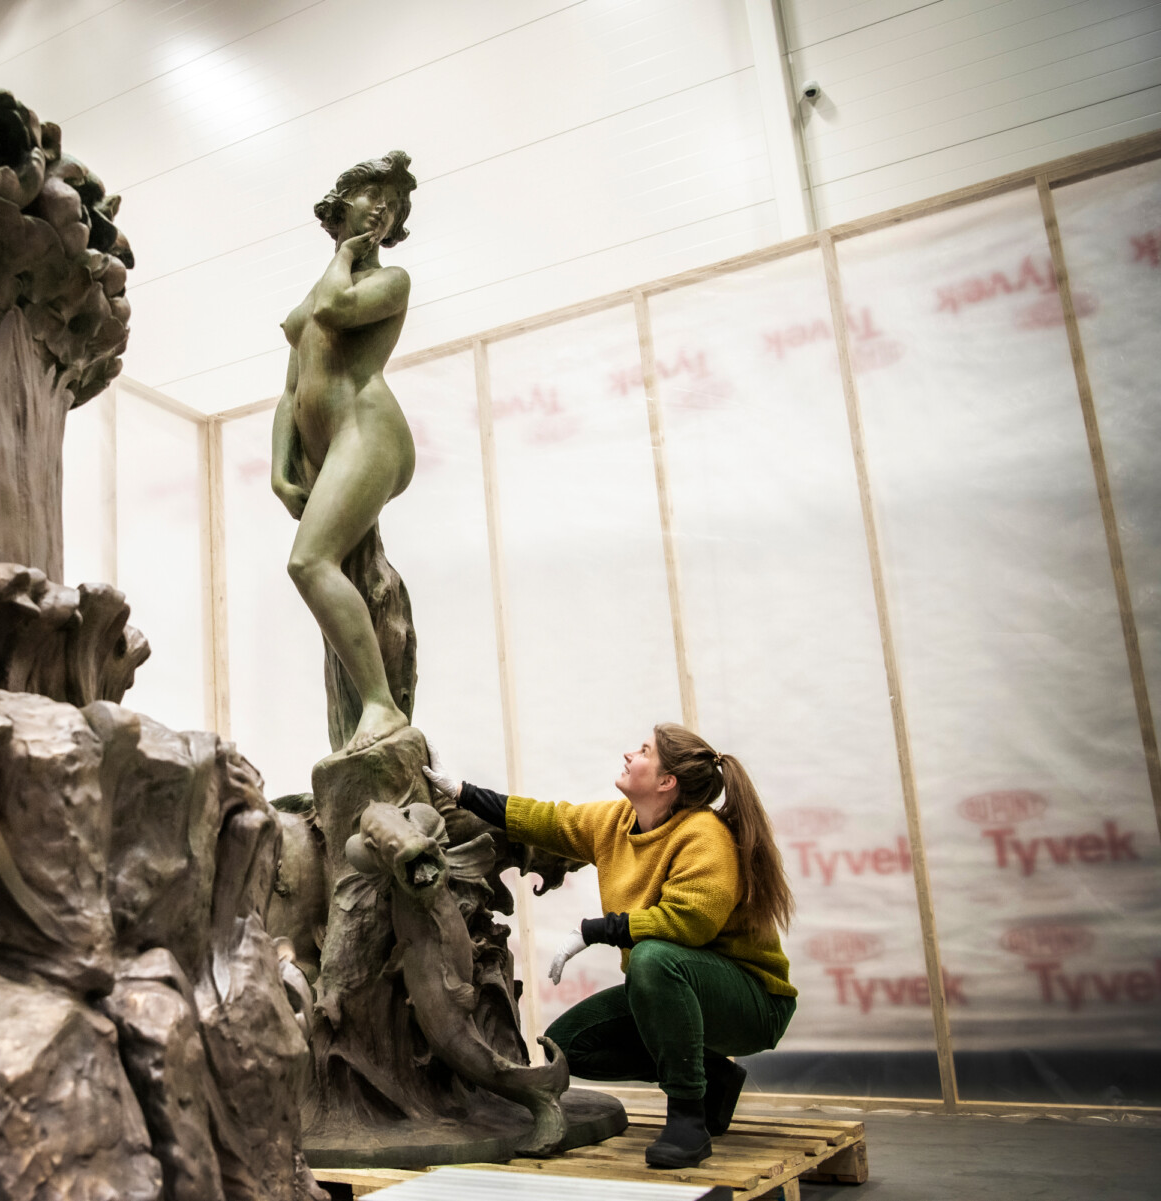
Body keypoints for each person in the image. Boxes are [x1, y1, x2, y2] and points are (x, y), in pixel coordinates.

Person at [423, 725, 797, 1168]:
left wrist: (594, 931)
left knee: (653, 958)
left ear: (666, 782)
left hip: (750, 1001)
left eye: (643, 751)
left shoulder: (703, 835)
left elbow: (688, 923)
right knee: (569, 1045)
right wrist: (460, 791)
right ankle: (712, 1078)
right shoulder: (617, 823)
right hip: (680, 988)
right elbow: (548, 819)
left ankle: (687, 1121)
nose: (628, 754)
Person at [272, 151, 419, 753]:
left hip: (369, 428)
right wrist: (280, 468)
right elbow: (289, 387)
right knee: (339, 572)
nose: (382, 209)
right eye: (371, 196)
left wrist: (344, 254)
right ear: (339, 205)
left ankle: (383, 708)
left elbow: (335, 310)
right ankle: (362, 710)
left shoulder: (387, 278)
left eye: (394, 204)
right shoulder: (316, 291)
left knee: (309, 563)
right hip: (327, 443)